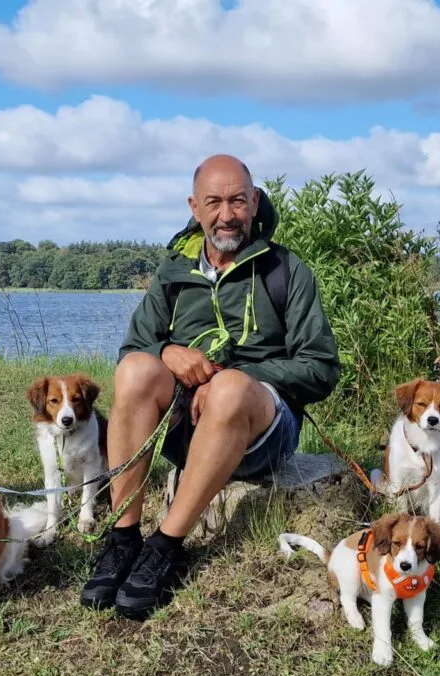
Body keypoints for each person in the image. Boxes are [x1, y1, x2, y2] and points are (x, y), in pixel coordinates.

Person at [81, 154, 340, 618]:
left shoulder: (285, 270)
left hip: (263, 430)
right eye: (214, 202)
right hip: (187, 426)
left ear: (255, 202)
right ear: (194, 207)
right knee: (136, 371)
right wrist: (167, 352)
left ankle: (166, 547)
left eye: (238, 201)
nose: (227, 215)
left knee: (230, 389)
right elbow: (133, 348)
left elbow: (321, 369)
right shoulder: (174, 272)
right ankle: (123, 538)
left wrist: (232, 375)